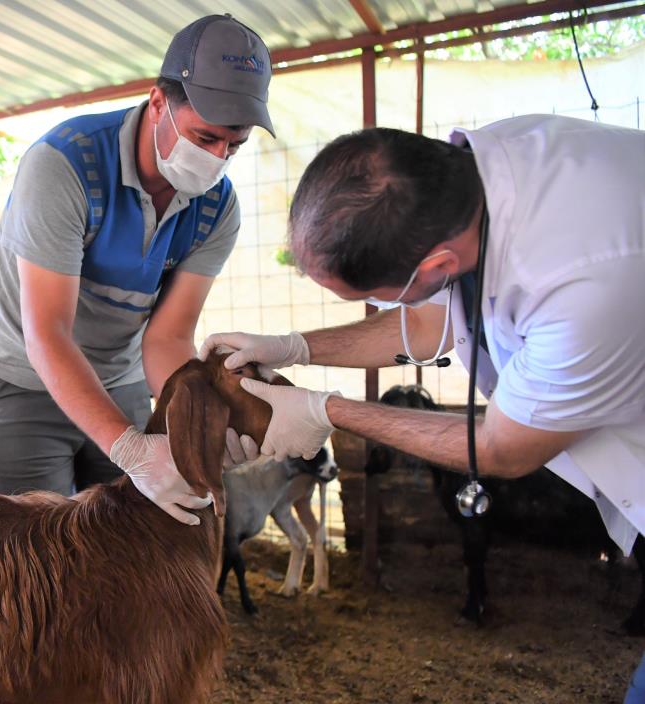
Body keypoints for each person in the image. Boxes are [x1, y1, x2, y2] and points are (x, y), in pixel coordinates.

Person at [200, 116, 645, 696]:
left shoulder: (585, 283)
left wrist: (325, 411)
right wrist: (297, 347)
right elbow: (436, 315)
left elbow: (502, 448)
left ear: (434, 268)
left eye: (369, 298)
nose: (375, 307)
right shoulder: (471, 178)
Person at [0, 14, 274, 524]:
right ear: (159, 104)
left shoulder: (217, 207)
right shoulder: (64, 164)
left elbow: (168, 338)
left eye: (234, 146)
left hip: (120, 377)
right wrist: (129, 450)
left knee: (130, 543)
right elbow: (47, 332)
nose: (218, 158)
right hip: (22, 378)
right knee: (30, 549)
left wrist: (205, 418)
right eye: (205, 137)